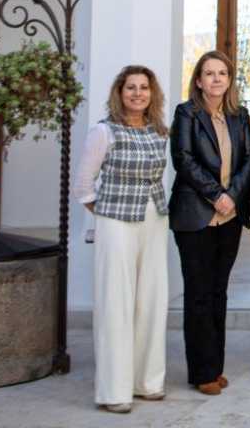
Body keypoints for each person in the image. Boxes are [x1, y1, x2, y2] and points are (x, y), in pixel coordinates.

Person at [71, 65, 170, 414]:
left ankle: (148, 381)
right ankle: (114, 391)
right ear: (120, 92)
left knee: (151, 300)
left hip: (154, 218)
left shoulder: (160, 131)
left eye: (144, 88)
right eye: (131, 87)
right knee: (116, 302)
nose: (138, 93)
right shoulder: (103, 131)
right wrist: (106, 213)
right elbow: (83, 184)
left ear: (151, 94)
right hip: (115, 222)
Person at [168, 50, 250, 396]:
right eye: (209, 73)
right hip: (196, 216)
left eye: (223, 73)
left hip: (230, 216)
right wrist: (215, 194)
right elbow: (183, 160)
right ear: (199, 80)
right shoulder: (186, 113)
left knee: (219, 292)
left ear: (230, 80)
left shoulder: (239, 115)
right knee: (199, 294)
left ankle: (214, 367)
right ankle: (201, 371)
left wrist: (231, 195)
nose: (217, 79)